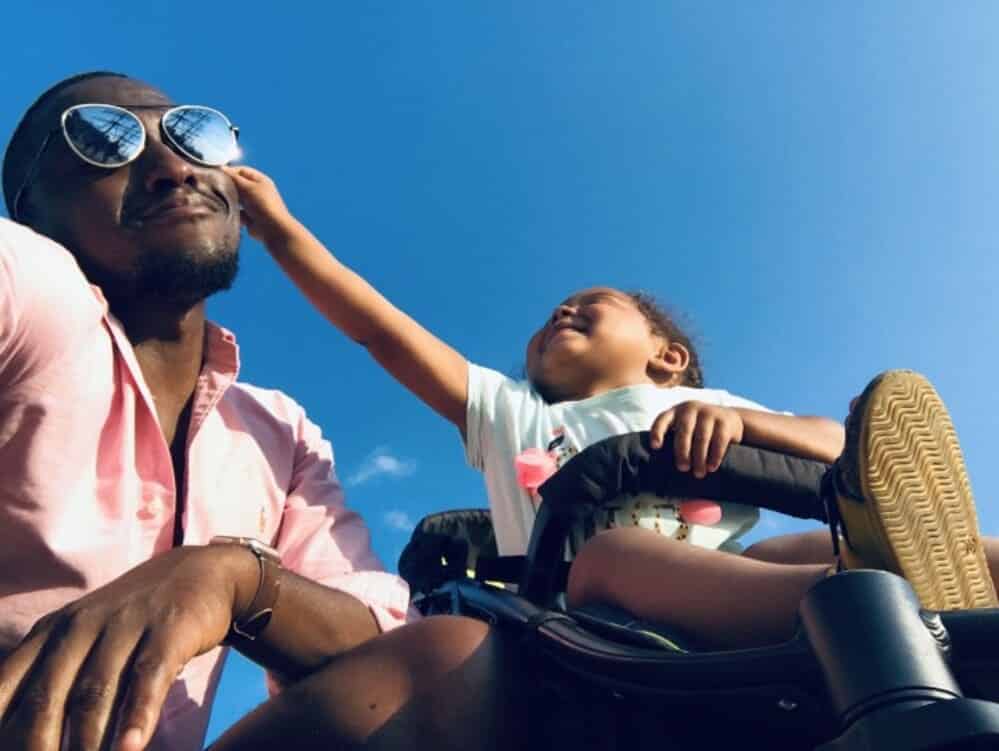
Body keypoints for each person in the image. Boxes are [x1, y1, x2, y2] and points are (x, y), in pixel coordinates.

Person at [224, 165, 998, 653]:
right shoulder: (509, 410)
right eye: (551, 315)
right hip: (576, 611)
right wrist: (283, 233)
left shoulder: (696, 400)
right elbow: (377, 332)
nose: (561, 310)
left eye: (588, 305)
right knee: (615, 555)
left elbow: (836, 445)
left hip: (725, 581)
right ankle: (881, 607)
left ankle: (927, 578)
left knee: (798, 547)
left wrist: (748, 425)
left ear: (667, 356)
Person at [1, 72, 527, 751]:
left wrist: (232, 577)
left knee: (451, 658)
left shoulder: (278, 430)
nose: (171, 167)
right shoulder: (28, 282)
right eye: (105, 141)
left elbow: (377, 632)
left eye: (192, 135)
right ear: (30, 212)